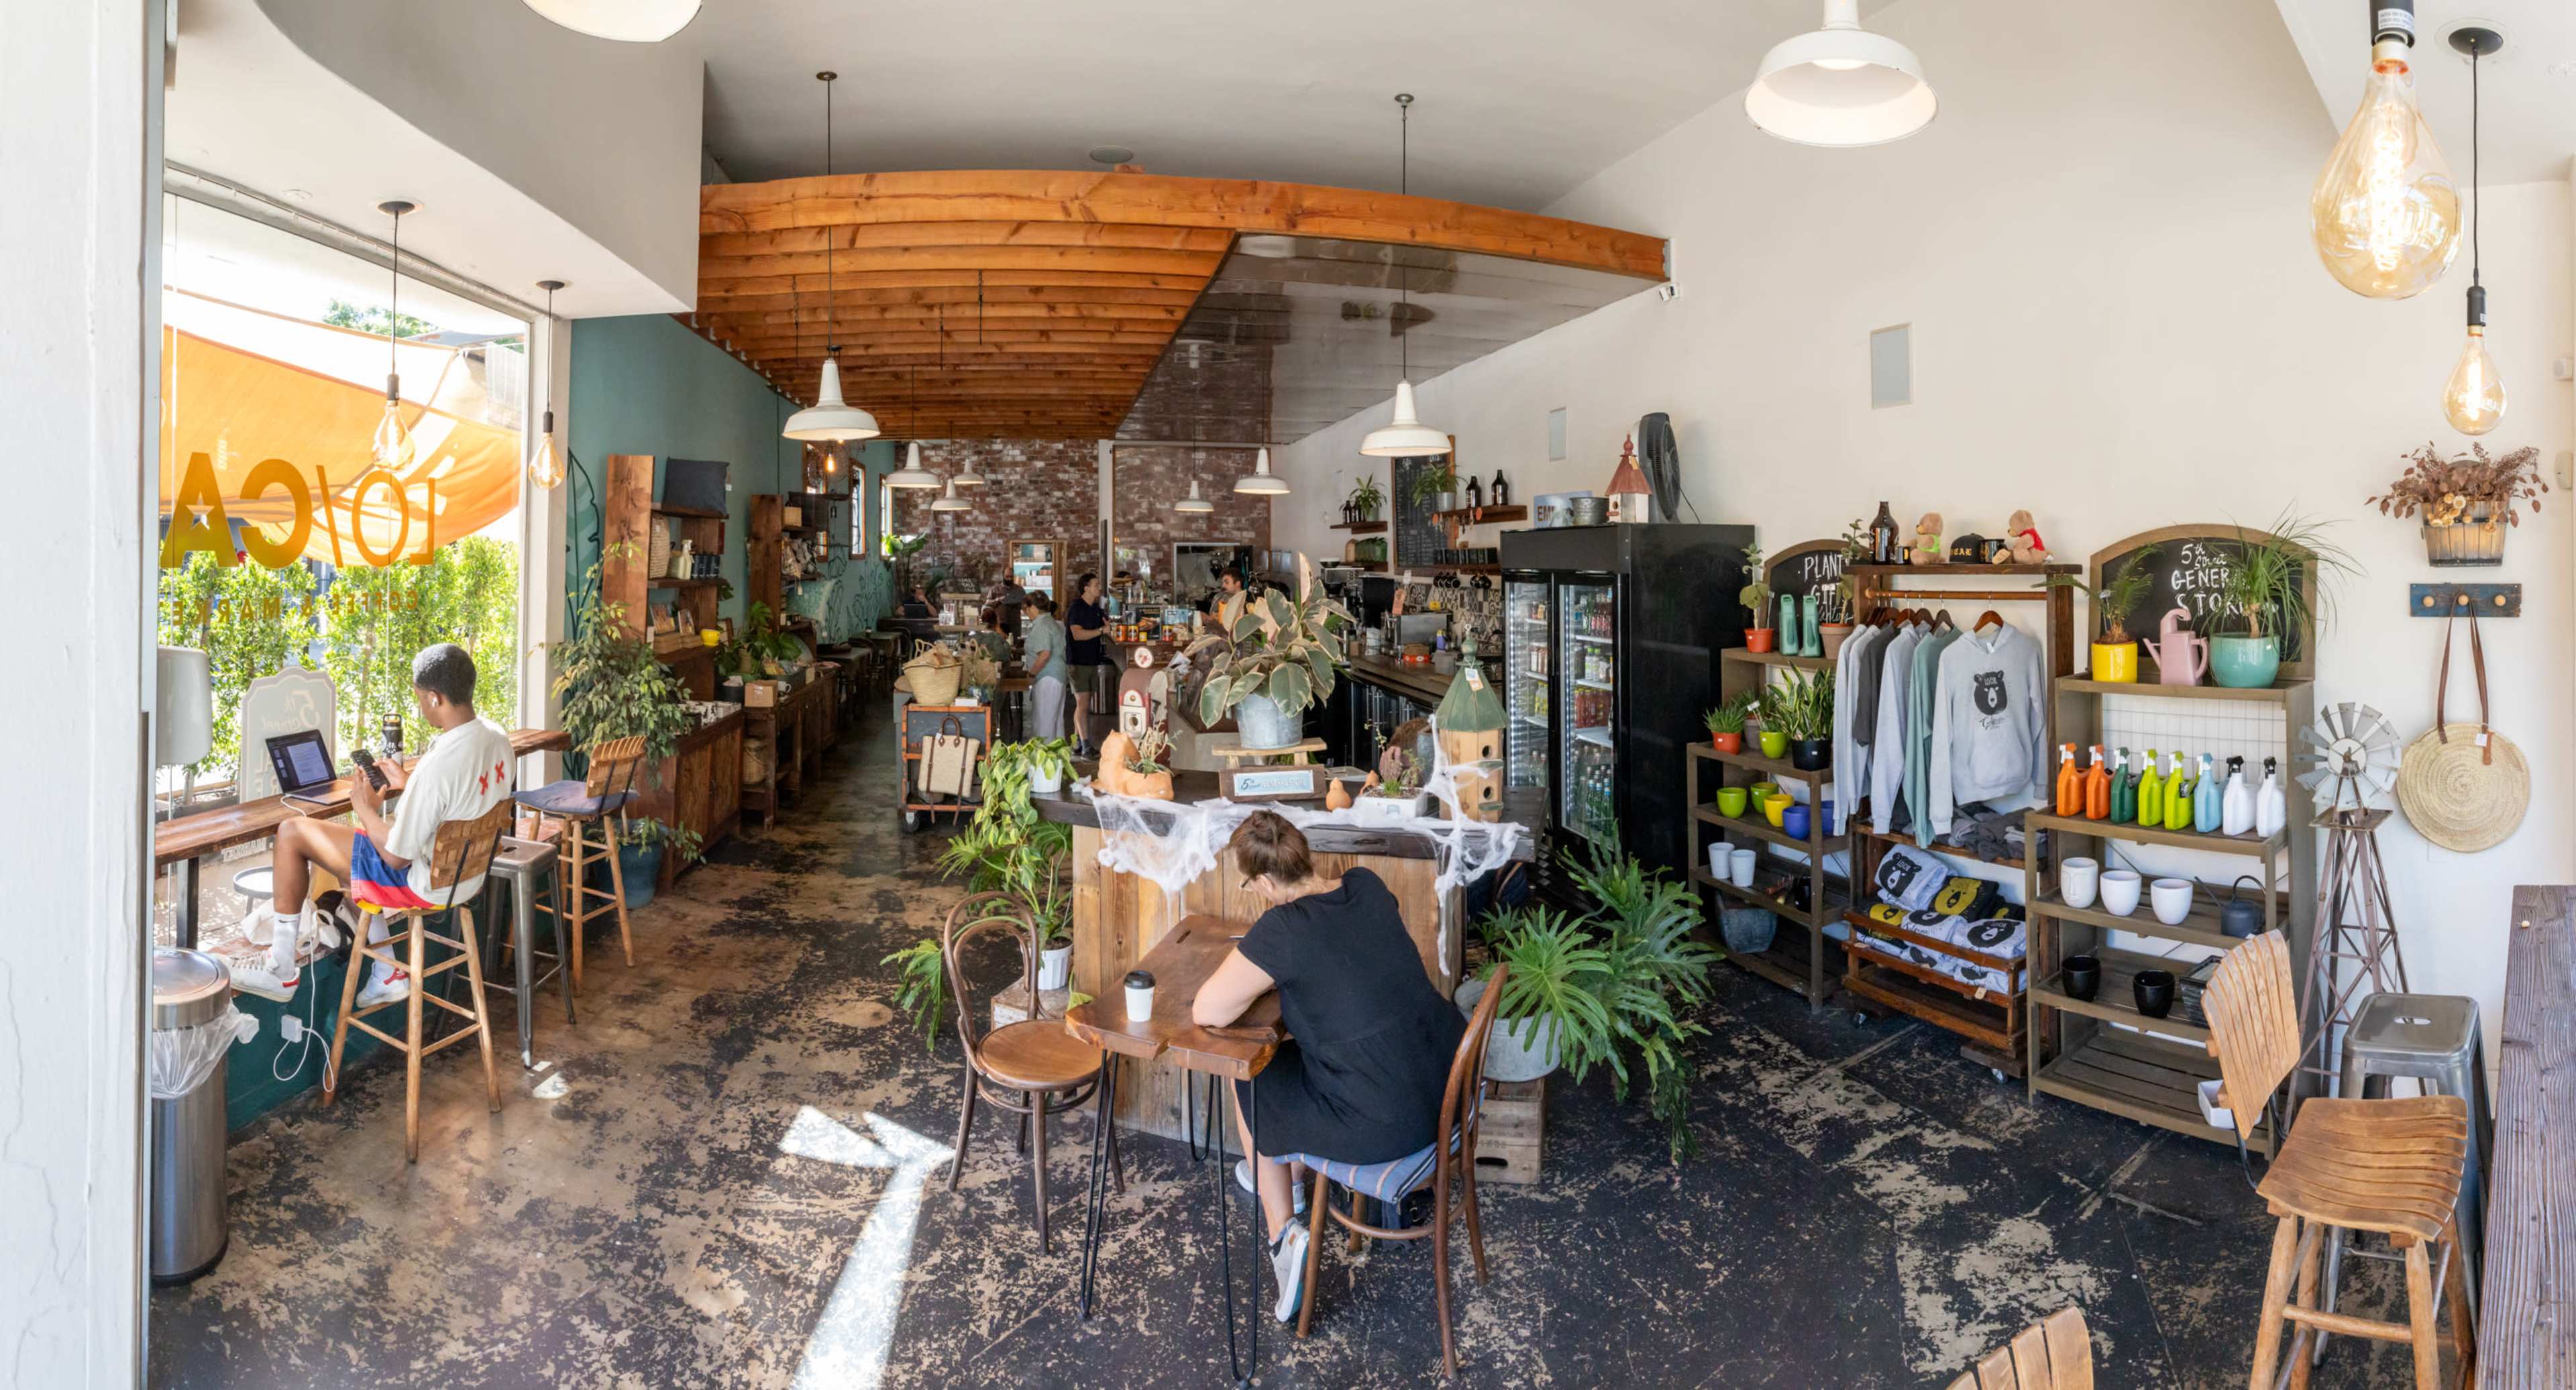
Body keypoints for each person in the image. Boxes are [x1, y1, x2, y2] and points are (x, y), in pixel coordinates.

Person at [1193, 812, 1468, 1324]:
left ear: (1268, 880)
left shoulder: (1282, 929)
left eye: (1251, 884)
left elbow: (1208, 1012)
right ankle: (1288, 1174)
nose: (1254, 892)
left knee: (1247, 1071)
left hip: (1394, 1125)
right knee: (1297, 1063)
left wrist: (1268, 973)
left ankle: (1283, 1234)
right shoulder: (1365, 884)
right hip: (1449, 1088)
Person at [259, 644, 517, 1008]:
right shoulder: (497, 737)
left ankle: (281, 968)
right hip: (469, 877)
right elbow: (464, 798)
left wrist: (364, 808)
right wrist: (409, 785)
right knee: (348, 852)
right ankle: (387, 972)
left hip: (424, 885)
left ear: (434, 697)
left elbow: (395, 857)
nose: (420, 706)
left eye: (419, 699)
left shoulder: (438, 764)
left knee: (292, 833)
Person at [1064, 571, 1110, 757]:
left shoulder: (1095, 609)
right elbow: (1077, 634)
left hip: (1091, 660)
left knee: (1083, 704)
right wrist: (1101, 630)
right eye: (1096, 584)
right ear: (1086, 588)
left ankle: (1076, 745)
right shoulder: (1077, 608)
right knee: (1082, 704)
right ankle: (1085, 746)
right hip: (1078, 661)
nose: (1099, 587)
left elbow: (1104, 628)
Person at [1021, 592, 1069, 741]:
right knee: (1055, 724)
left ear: (1034, 608)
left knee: (1044, 726)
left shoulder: (1042, 625)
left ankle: (1043, 763)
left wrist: (1031, 675)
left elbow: (1044, 654)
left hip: (1047, 678)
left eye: (1026, 609)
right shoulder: (1049, 622)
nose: (1026, 613)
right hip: (1055, 677)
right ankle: (1057, 762)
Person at [1214, 564, 1248, 635]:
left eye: (1227, 582)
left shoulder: (1248, 600)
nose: (1223, 586)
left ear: (1238, 584)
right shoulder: (1221, 597)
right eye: (1223, 583)